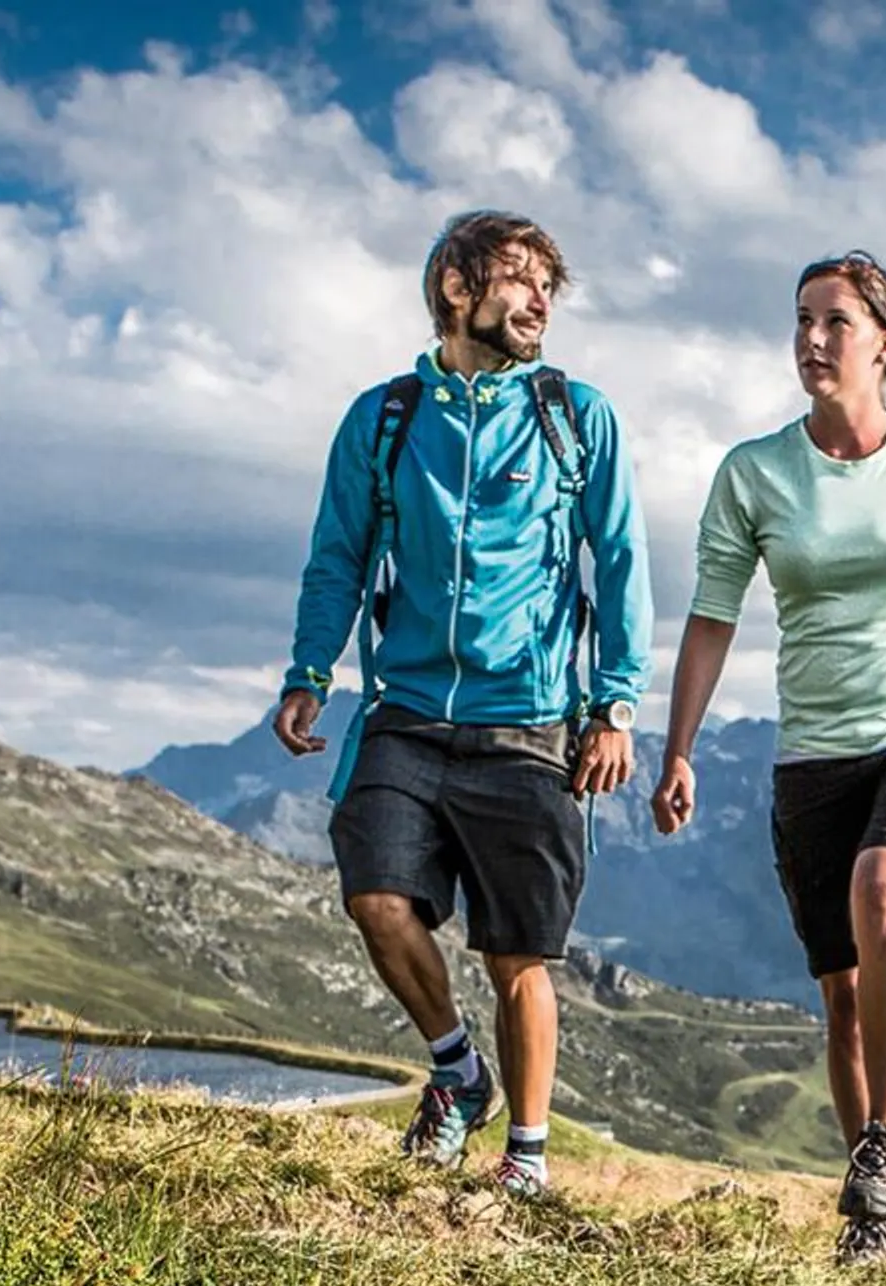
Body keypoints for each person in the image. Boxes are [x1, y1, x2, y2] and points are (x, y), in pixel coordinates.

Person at [652, 249, 886, 1264]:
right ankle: (876, 1225)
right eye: (802, 320)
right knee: (843, 995)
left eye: (836, 323)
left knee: (884, 887)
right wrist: (678, 747)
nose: (812, 340)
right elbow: (711, 617)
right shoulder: (755, 473)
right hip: (815, 750)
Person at [275, 210, 649, 1200]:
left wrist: (615, 705)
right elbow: (338, 554)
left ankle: (526, 1160)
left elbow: (619, 560)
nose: (539, 303)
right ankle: (457, 1069)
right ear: (455, 285)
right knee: (376, 899)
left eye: (549, 289)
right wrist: (309, 671)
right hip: (405, 711)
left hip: (529, 721)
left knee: (517, 957)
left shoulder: (577, 416)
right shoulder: (385, 418)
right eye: (521, 279)